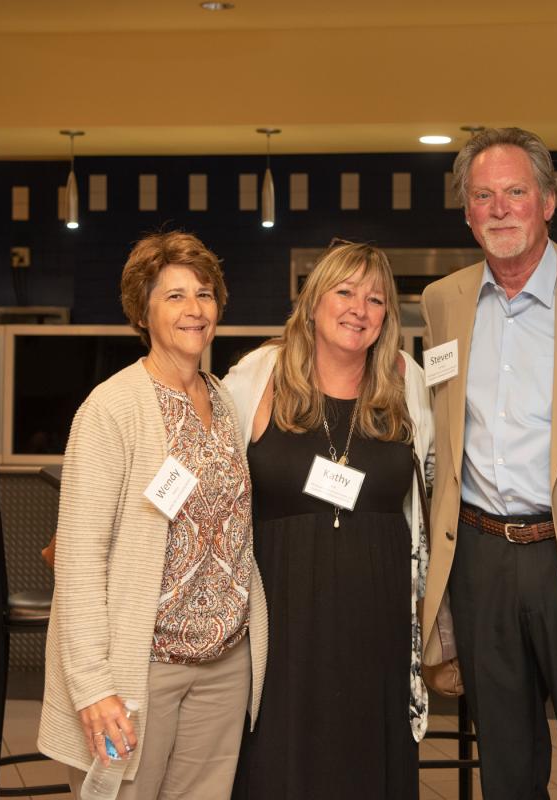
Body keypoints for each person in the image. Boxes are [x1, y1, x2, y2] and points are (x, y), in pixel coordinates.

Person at [419, 127, 557, 800]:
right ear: (466, 211)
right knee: (507, 765)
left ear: (548, 201)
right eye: (482, 196)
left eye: (515, 192)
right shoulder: (444, 301)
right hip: (480, 556)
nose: (499, 209)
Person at [37, 231, 267, 800]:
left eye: (206, 294)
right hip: (140, 669)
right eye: (175, 296)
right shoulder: (111, 409)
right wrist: (93, 687)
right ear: (143, 310)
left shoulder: (224, 403)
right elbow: (80, 556)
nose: (195, 310)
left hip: (223, 666)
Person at [226, 241, 433, 799]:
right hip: (280, 615)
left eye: (375, 298)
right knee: (280, 760)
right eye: (344, 292)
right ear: (313, 301)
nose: (358, 309)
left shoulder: (405, 381)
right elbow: (208, 468)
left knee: (367, 761)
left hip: (377, 618)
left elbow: (429, 495)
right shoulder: (259, 374)